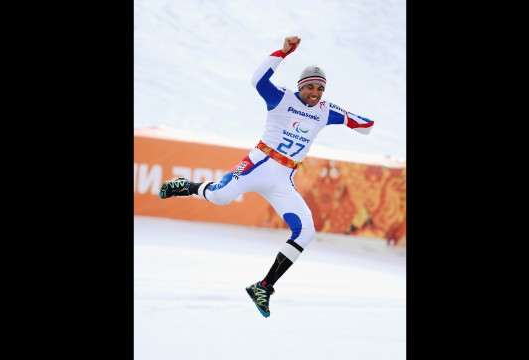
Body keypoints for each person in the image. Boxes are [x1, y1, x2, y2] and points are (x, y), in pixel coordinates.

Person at [158, 36, 374, 318]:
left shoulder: (325, 111)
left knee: (306, 231)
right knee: (221, 197)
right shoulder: (281, 97)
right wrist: (283, 52)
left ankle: (263, 286)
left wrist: (357, 120)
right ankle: (187, 187)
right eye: (310, 86)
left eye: (320, 88)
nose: (315, 92)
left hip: (284, 178)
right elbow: (257, 80)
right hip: (259, 162)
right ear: (300, 86)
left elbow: (366, 126)